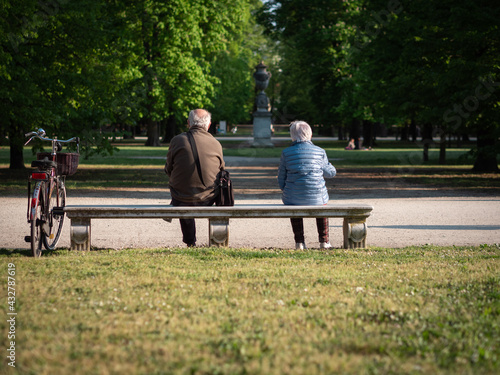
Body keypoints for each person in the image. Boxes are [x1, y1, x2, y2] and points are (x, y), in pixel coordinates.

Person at [164, 109, 225, 247]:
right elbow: (222, 170)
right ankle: (219, 239)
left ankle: (190, 241)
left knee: (182, 191)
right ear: (208, 125)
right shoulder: (216, 143)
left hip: (182, 199)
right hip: (209, 198)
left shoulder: (177, 140)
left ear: (188, 123)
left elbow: (168, 169)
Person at [278, 121, 337, 249]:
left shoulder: (286, 153)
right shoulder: (319, 152)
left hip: (292, 196)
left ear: (292, 136)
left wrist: (286, 190)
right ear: (310, 135)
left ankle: (299, 242)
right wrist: (328, 164)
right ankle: (324, 241)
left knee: (293, 204)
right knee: (321, 204)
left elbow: (281, 178)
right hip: (317, 196)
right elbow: (330, 173)